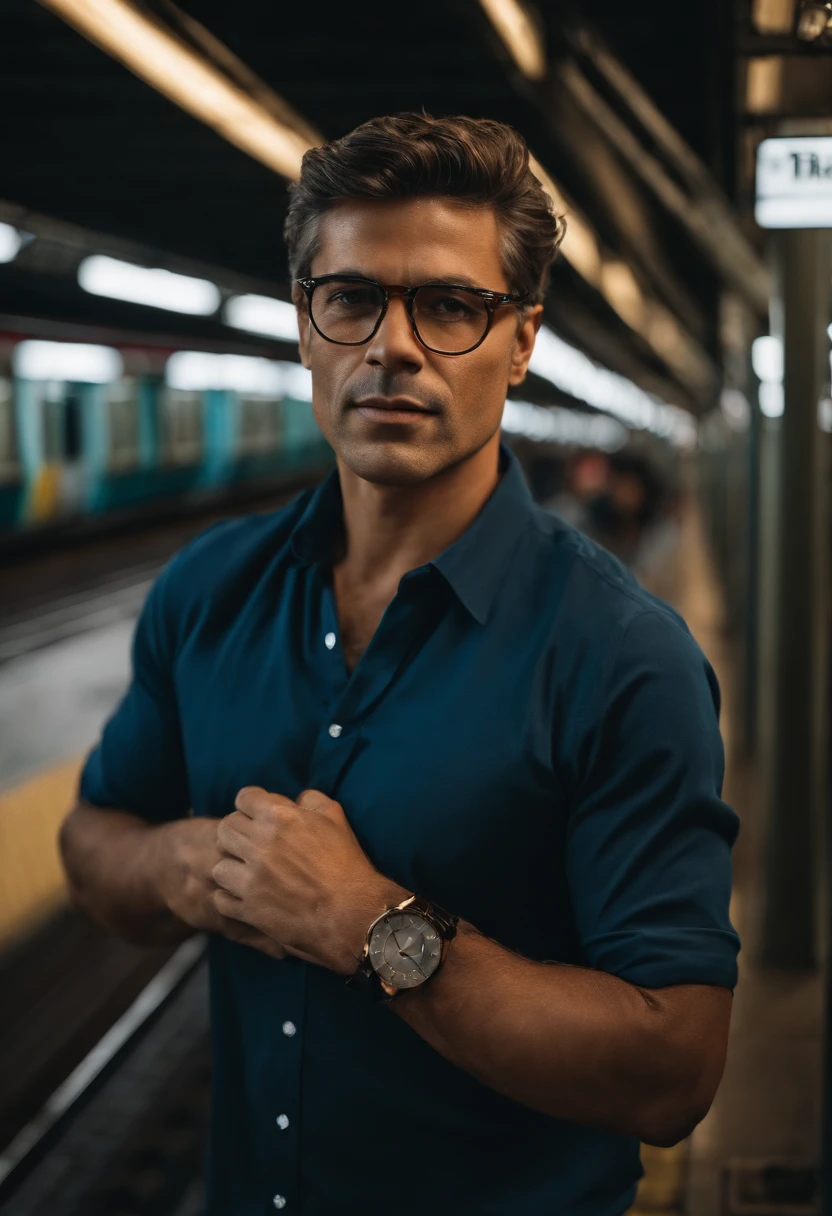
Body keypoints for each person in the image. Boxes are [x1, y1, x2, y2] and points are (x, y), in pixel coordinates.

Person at [59, 113, 740, 1216]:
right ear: (305, 324)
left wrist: (368, 926)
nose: (393, 345)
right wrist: (188, 864)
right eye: (353, 298)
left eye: (451, 306)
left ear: (520, 342)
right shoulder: (207, 590)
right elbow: (94, 842)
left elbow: (673, 1071)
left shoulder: (621, 655)